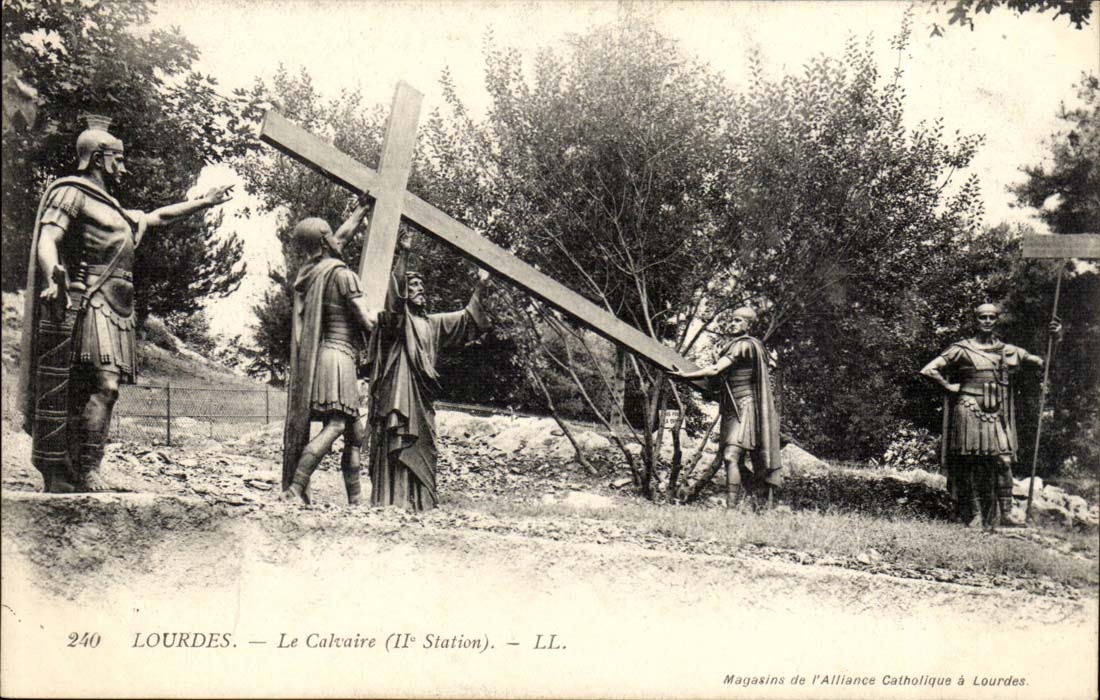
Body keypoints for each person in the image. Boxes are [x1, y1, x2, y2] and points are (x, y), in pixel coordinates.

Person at [18, 115, 232, 493]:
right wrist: (53, 276)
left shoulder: (113, 208)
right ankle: (83, 470)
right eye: (117, 158)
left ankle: (80, 468)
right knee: (105, 385)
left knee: (96, 389)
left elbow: (157, 217)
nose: (123, 165)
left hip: (119, 309)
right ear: (98, 158)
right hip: (92, 302)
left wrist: (204, 202)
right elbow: (48, 238)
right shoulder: (72, 192)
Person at [367, 232, 491, 510]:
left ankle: (421, 503)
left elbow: (466, 319)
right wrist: (404, 254)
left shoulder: (433, 324)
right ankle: (394, 501)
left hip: (422, 399)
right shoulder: (397, 322)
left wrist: (481, 285)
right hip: (400, 395)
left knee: (426, 444)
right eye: (413, 286)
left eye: (421, 286)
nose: (420, 289)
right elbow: (393, 299)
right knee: (400, 439)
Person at [920, 303, 1057, 528]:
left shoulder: (1007, 350)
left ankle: (1006, 514)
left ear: (996, 320)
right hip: (968, 408)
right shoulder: (961, 349)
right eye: (982, 317)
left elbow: (1042, 364)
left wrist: (1055, 339)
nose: (987, 321)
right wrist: (948, 386)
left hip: (996, 413)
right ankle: (975, 514)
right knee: (969, 463)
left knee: (1004, 460)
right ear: (975, 320)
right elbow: (929, 370)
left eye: (991, 317)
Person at [281, 200, 376, 505]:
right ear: (324, 241)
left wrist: (361, 211)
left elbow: (342, 238)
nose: (338, 238)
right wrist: (391, 324)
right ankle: (295, 488)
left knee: (354, 434)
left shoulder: (311, 272)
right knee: (336, 425)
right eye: (331, 235)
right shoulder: (343, 275)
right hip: (339, 357)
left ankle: (355, 502)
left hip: (324, 356)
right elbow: (366, 321)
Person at [669, 307, 782, 509]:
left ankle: (732, 508)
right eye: (732, 320)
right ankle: (757, 495)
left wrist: (685, 375)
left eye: (738, 320)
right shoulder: (732, 345)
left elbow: (715, 369)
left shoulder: (744, 345)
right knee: (732, 458)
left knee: (731, 456)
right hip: (732, 407)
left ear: (749, 324)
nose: (732, 324)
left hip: (745, 407)